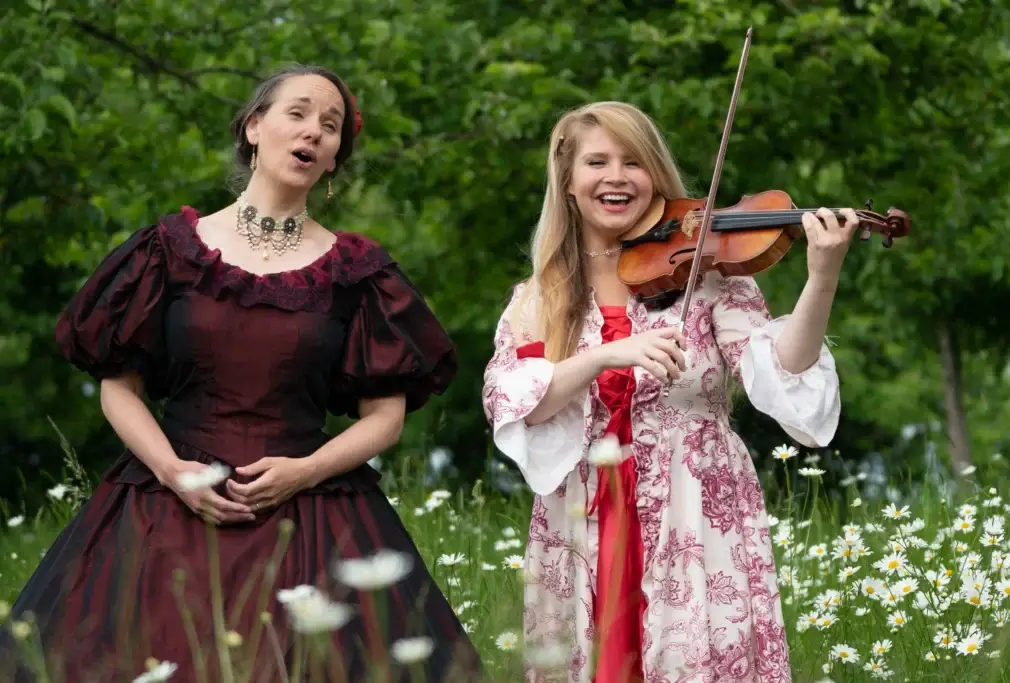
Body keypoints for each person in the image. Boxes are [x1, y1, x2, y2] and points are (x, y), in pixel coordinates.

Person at [1, 65, 481, 683]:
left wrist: (304, 471)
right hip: (166, 508)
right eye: (299, 113)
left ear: (334, 158)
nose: (314, 133)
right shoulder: (168, 251)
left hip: (310, 514)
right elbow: (119, 390)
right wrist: (172, 471)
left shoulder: (359, 273)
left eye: (331, 127)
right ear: (254, 126)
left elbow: (385, 418)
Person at [483, 101, 853, 682]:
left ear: (654, 175)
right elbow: (518, 402)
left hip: (694, 504)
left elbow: (783, 372)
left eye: (633, 162)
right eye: (597, 162)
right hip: (583, 512)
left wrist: (822, 277)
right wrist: (606, 355)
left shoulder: (706, 275)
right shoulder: (541, 297)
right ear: (569, 182)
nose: (615, 177)